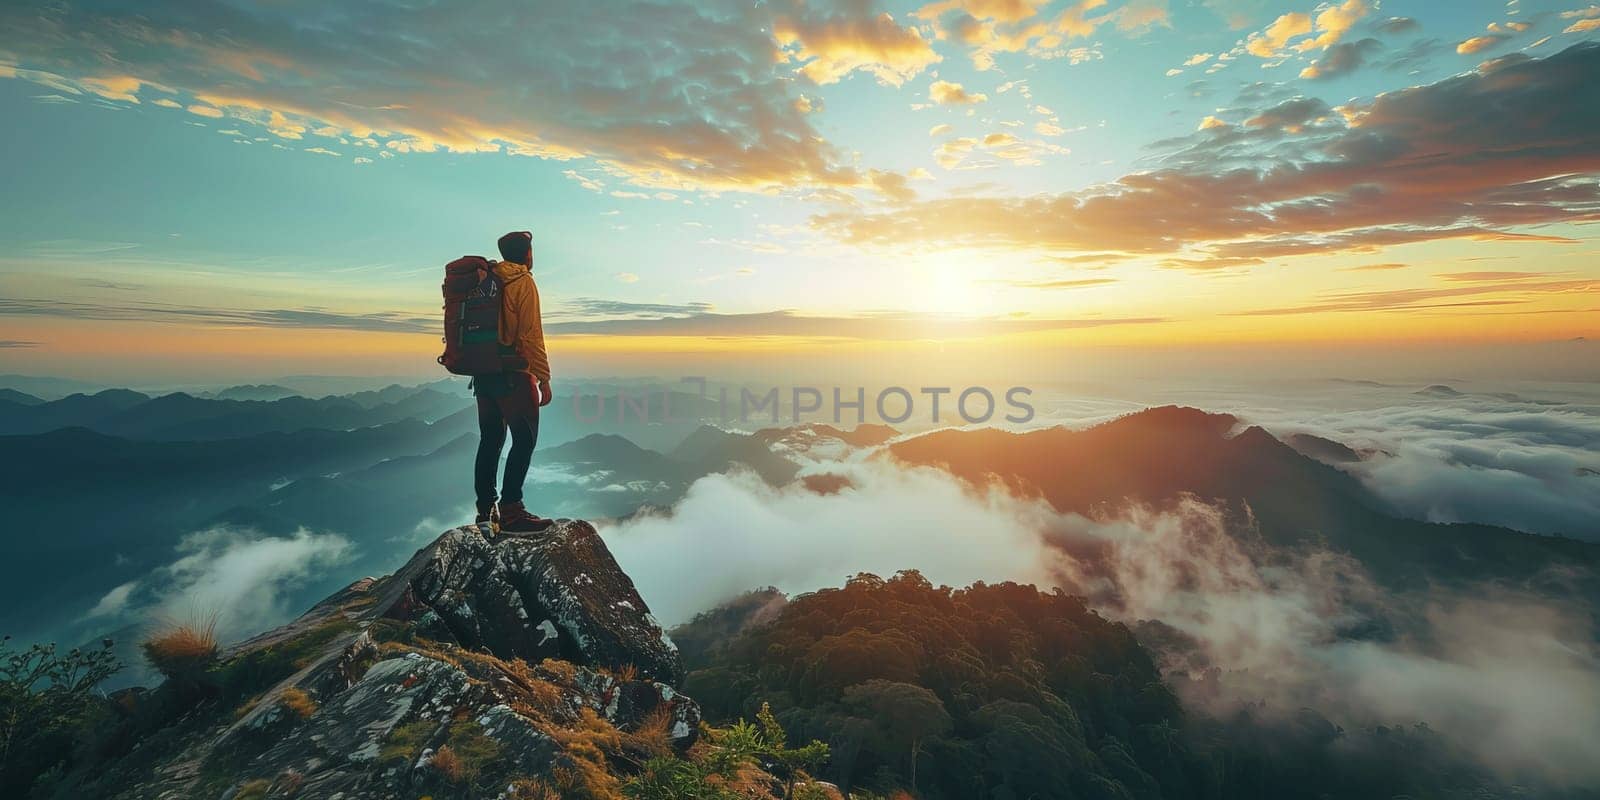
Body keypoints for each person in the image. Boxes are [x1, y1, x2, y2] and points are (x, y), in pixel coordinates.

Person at [474, 230, 554, 532]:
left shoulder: (486, 282)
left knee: (490, 440)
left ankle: (485, 511)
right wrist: (543, 377)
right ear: (528, 253)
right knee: (524, 439)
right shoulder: (522, 283)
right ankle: (511, 510)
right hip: (513, 374)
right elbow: (531, 335)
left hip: (482, 374)